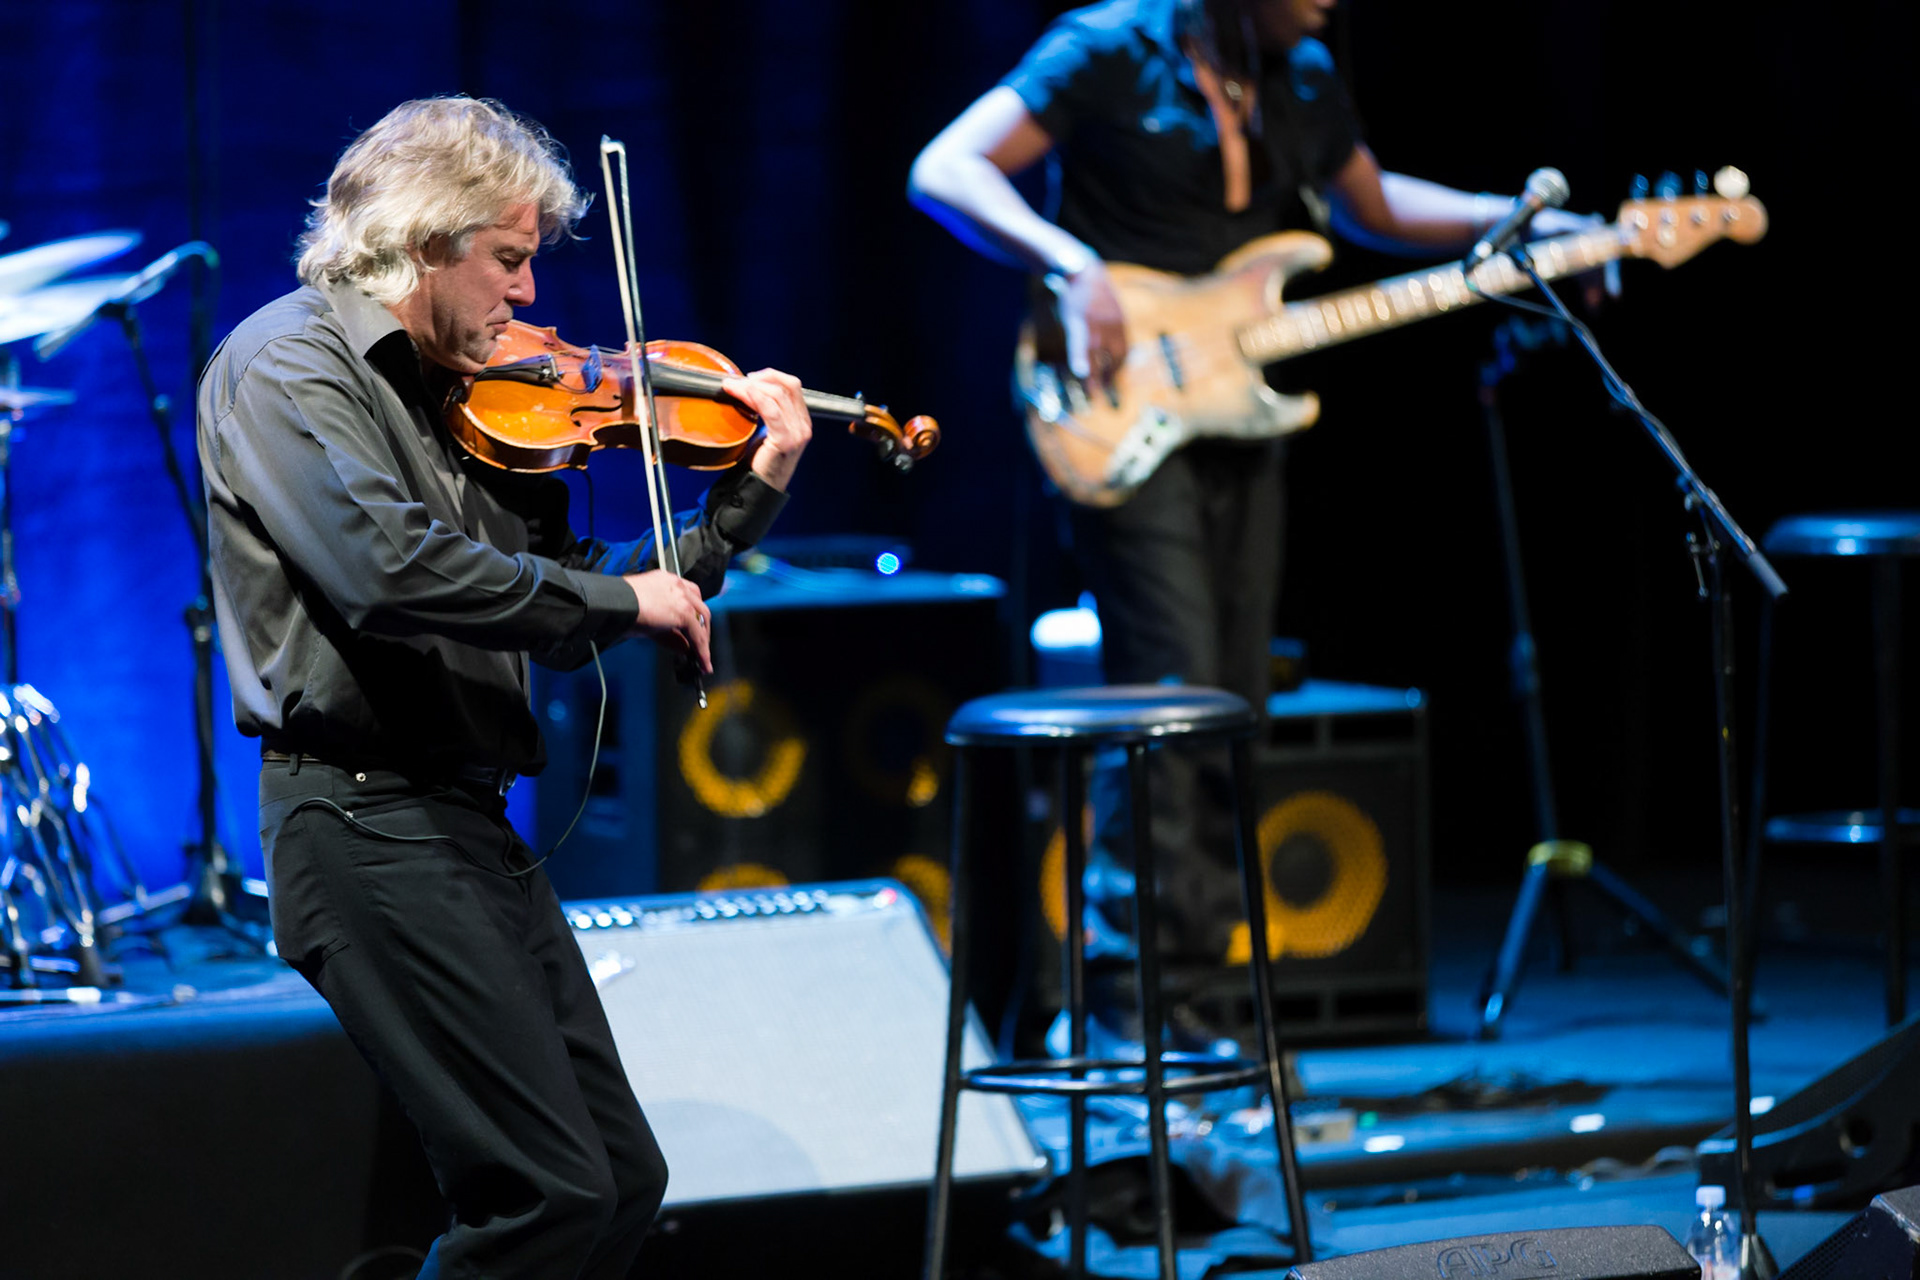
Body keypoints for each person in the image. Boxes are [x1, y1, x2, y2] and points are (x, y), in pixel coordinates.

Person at [196, 96, 812, 1278]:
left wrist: (752, 492)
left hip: (469, 826)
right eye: (510, 260)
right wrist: (626, 603)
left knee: (623, 1178)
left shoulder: (479, 403)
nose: (529, 297)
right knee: (545, 1192)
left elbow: (580, 603)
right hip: (361, 817)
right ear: (427, 237)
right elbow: (385, 569)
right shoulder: (285, 364)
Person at [909, 0, 1592, 1012]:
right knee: (1169, 682)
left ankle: (1197, 989)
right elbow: (946, 168)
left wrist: (1542, 229)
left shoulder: (1303, 76)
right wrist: (1071, 262)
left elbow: (1376, 206)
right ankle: (1134, 997)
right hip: (1119, 407)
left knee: (1234, 701)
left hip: (1239, 422)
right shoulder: (1111, 49)